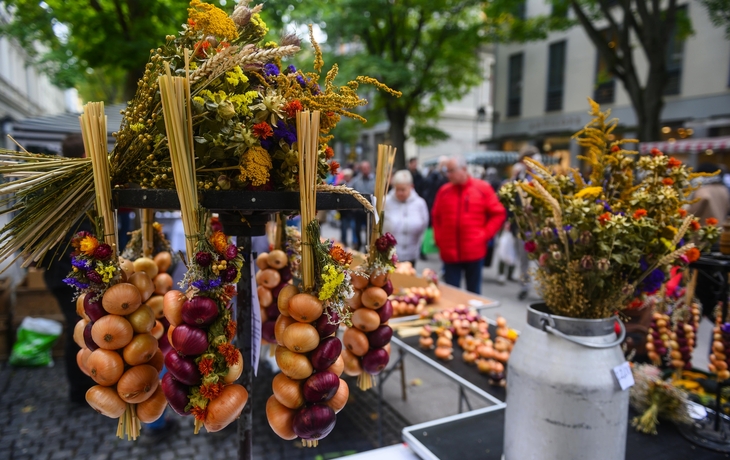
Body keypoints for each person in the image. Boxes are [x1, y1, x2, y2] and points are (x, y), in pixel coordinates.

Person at [42, 134, 96, 404]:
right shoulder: (68, 191)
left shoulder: (70, 187)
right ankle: (80, 390)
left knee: (82, 328)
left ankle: (87, 384)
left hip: (67, 274)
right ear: (85, 155)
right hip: (67, 276)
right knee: (78, 330)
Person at [431, 156, 506, 294]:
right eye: (447, 171)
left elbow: (498, 213)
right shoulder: (444, 191)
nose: (449, 175)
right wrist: (439, 239)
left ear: (464, 169)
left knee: (474, 295)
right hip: (450, 252)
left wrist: (484, 235)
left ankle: (474, 316)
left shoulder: (482, 188)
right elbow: (436, 216)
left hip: (474, 251)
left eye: (452, 171)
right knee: (452, 294)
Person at [383, 170, 429, 267]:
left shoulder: (420, 203)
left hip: (411, 254)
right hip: (389, 255)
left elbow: (424, 224)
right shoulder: (386, 202)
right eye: (397, 189)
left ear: (411, 187)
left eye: (403, 190)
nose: (400, 193)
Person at [348, 161, 375, 251]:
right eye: (363, 169)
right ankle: (358, 243)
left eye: (366, 168)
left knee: (370, 229)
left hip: (370, 210)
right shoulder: (356, 181)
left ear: (369, 168)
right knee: (357, 228)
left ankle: (367, 246)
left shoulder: (375, 180)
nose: (365, 170)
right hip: (359, 210)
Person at [338, 168, 356, 247]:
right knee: (343, 227)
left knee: (353, 227)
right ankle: (343, 241)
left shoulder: (354, 184)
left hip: (352, 211)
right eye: (346, 176)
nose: (347, 177)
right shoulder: (341, 184)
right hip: (343, 211)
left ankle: (354, 242)